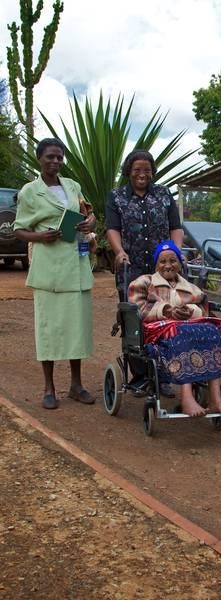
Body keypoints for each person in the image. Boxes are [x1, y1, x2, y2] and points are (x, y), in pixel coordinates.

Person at [13, 138, 96, 409]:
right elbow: (18, 229)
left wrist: (89, 223)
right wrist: (39, 236)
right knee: (48, 328)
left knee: (76, 327)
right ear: (39, 158)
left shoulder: (72, 185)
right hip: (49, 266)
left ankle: (76, 384)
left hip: (75, 263)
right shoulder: (30, 191)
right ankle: (48, 387)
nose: (55, 162)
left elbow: (87, 212)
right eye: (50, 157)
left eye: (59, 157)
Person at [105, 149, 184, 398]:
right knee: (135, 322)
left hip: (162, 269)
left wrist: (175, 254)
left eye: (147, 170)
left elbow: (175, 227)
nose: (142, 174)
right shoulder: (117, 197)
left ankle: (161, 375)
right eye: (137, 169)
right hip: (131, 268)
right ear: (129, 171)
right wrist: (119, 252)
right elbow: (112, 228)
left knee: (164, 317)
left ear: (153, 172)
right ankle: (140, 376)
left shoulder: (163, 194)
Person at [128, 240, 221, 417]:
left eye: (173, 260)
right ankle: (186, 397)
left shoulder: (190, 287)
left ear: (179, 263)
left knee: (214, 333)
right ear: (156, 264)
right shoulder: (145, 282)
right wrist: (166, 310)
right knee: (181, 335)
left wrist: (190, 311)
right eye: (163, 261)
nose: (168, 265)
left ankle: (215, 396)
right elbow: (137, 308)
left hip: (188, 326)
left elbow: (203, 308)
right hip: (158, 333)